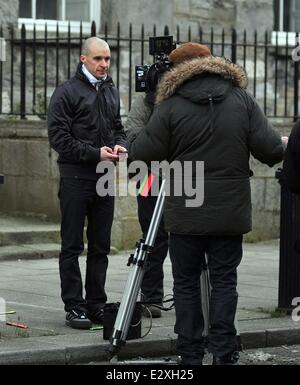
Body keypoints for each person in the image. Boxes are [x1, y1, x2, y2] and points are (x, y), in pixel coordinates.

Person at [128, 42, 286, 365]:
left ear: (177, 72)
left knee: (185, 284)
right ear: (210, 62)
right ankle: (224, 353)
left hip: (185, 213)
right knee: (225, 280)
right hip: (230, 213)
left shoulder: (170, 106)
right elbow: (270, 149)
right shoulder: (241, 99)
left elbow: (141, 152)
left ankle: (190, 355)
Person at [48, 37, 127, 329]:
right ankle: (74, 306)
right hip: (75, 177)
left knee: (100, 245)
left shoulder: (110, 91)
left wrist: (119, 145)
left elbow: (118, 128)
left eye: (107, 59)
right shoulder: (66, 92)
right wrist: (95, 153)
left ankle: (96, 304)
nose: (104, 64)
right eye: (98, 59)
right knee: (71, 245)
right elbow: (59, 139)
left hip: (105, 178)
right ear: (84, 59)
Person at [125, 91, 169, 318]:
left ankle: (190, 294)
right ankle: (151, 296)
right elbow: (133, 134)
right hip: (147, 174)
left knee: (189, 235)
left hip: (185, 173)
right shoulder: (145, 101)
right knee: (152, 234)